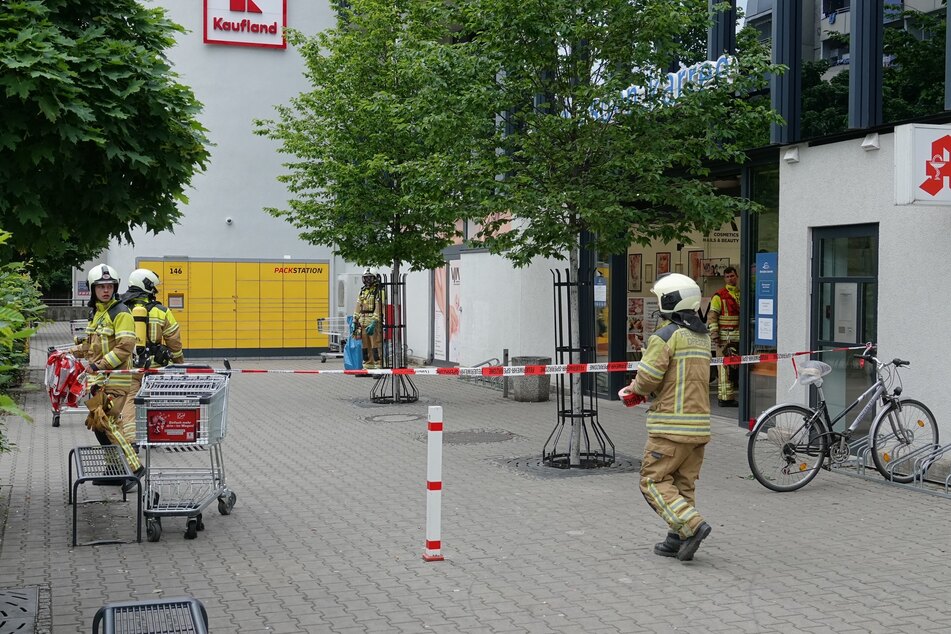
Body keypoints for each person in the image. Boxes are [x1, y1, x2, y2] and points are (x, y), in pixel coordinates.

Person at [620, 273, 713, 561]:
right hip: (699, 428)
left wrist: (632, 390)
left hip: (670, 426)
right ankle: (676, 540)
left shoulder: (664, 336)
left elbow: (647, 380)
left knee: (653, 480)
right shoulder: (702, 336)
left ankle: (693, 526)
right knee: (683, 484)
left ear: (669, 300)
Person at [70, 263, 144, 489]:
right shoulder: (98, 313)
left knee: (108, 422)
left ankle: (134, 469)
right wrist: (71, 351)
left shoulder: (120, 312)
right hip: (99, 379)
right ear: (93, 289)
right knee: (99, 425)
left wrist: (99, 365)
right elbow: (94, 346)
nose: (105, 290)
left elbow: (125, 346)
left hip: (116, 379)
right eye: (101, 286)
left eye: (109, 286)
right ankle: (114, 470)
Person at [118, 268, 185, 440]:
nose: (156, 290)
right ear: (147, 286)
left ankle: (132, 440)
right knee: (155, 401)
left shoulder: (120, 310)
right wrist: (179, 362)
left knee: (130, 401)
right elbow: (174, 341)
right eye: (154, 287)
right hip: (156, 369)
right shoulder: (161, 311)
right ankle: (155, 436)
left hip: (128, 367)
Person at [708, 265, 740, 407]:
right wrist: (715, 335)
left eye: (732, 276)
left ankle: (730, 395)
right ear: (724, 278)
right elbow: (712, 316)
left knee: (734, 369)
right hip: (723, 339)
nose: (730, 278)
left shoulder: (740, 293)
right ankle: (724, 398)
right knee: (723, 368)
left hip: (738, 338)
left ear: (737, 277)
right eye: (727, 276)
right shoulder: (719, 296)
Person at [353, 270, 384, 369]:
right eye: (365, 277)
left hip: (373, 323)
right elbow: (358, 306)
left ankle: (378, 367)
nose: (367, 280)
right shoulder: (362, 291)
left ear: (375, 278)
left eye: (369, 277)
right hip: (363, 322)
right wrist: (355, 320)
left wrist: (374, 321)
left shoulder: (379, 291)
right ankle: (368, 366)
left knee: (375, 346)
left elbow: (379, 307)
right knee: (365, 346)